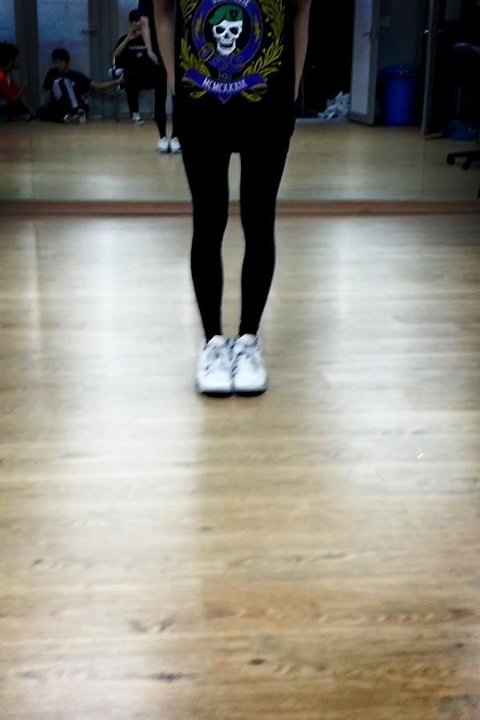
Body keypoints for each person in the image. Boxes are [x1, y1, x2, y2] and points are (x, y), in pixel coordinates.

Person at [153, 0, 311, 396]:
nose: (227, 34)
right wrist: (173, 77)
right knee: (208, 222)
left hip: (268, 103)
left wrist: (293, 83)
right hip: (199, 102)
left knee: (259, 220)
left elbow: (300, 9)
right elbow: (162, 10)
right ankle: (212, 342)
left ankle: (248, 340)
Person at [113, 9, 180, 152]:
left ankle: (175, 137)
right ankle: (137, 115)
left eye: (139, 21)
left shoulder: (154, 38)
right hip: (135, 77)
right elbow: (116, 54)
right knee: (129, 80)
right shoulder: (126, 38)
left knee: (167, 97)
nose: (137, 24)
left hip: (155, 74)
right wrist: (128, 39)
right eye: (134, 21)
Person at [37, 48, 121, 123]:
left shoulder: (77, 76)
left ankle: (75, 113)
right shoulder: (52, 73)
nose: (57, 65)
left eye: (60, 62)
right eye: (55, 62)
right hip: (59, 106)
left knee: (63, 81)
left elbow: (96, 86)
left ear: (66, 62)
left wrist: (116, 82)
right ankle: (67, 117)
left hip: (76, 106)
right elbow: (47, 93)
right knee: (42, 112)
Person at [0, 42, 33, 121]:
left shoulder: (7, 74)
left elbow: (14, 90)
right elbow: (10, 100)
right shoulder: (1, 77)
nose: (20, 61)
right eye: (18, 58)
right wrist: (23, 88)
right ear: (11, 62)